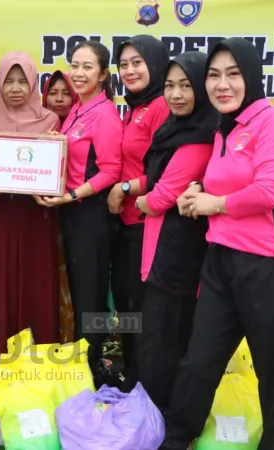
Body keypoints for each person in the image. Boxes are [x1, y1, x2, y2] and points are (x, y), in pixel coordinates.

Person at [158, 38, 274, 450]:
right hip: (222, 263)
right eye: (213, 75)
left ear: (252, 77)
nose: (221, 84)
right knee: (198, 363)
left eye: (233, 74)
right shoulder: (224, 129)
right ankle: (174, 439)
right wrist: (198, 190)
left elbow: (269, 190)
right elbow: (227, 180)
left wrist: (214, 203)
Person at [133, 51, 217, 411]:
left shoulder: (199, 138)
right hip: (162, 246)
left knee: (163, 337)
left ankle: (157, 414)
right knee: (156, 332)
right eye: (169, 86)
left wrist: (138, 202)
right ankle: (151, 408)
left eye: (186, 86)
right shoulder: (176, 129)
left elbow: (161, 197)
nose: (176, 94)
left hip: (177, 253)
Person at [35, 41, 122, 384]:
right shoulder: (76, 110)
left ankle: (94, 367)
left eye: (88, 67)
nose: (79, 73)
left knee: (91, 295)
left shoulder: (105, 114)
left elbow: (111, 171)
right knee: (81, 291)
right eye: (75, 65)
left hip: (92, 215)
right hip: (73, 213)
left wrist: (71, 196)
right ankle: (85, 363)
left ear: (103, 75)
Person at [0, 51, 61, 361]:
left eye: (23, 81)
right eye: (9, 81)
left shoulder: (50, 121)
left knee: (38, 282)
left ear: (33, 83)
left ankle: (40, 358)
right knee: (2, 282)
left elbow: (59, 169)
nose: (16, 88)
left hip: (38, 215)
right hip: (3, 215)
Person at [106, 34, 170, 391]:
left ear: (155, 65)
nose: (129, 71)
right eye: (124, 64)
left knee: (142, 309)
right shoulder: (134, 107)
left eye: (137, 63)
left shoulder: (161, 106)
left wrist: (125, 188)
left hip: (148, 225)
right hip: (127, 223)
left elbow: (168, 172)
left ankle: (145, 385)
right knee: (127, 307)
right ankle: (131, 377)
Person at [41, 69, 78, 345]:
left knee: (77, 283)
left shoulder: (82, 127)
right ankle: (47, 339)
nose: (59, 99)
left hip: (78, 215)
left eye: (66, 93)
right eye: (52, 93)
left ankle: (75, 343)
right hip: (43, 218)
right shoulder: (37, 128)